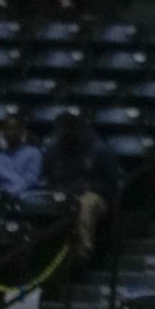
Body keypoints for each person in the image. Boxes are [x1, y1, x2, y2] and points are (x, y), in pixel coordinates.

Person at [40, 111, 118, 260]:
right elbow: (47, 178)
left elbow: (112, 185)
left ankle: (83, 251)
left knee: (85, 204)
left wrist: (88, 187)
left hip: (94, 195)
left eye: (67, 130)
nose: (62, 135)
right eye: (60, 131)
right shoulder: (53, 150)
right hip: (62, 192)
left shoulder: (99, 150)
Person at [0, 112, 43, 199]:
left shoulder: (34, 152)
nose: (11, 132)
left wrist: (11, 192)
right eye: (7, 129)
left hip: (26, 198)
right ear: (3, 133)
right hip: (0, 199)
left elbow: (30, 180)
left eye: (15, 128)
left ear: (22, 131)